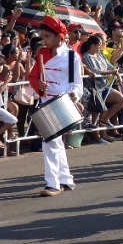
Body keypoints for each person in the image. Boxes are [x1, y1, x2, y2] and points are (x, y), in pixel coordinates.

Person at [27, 15, 82, 196]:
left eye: (47, 37)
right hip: (45, 102)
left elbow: (76, 83)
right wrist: (39, 86)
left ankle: (54, 184)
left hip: (62, 102)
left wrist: (75, 95)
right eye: (43, 36)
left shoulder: (72, 56)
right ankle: (64, 180)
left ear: (59, 37)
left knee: (51, 143)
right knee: (52, 143)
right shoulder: (41, 53)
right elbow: (33, 77)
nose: (44, 40)